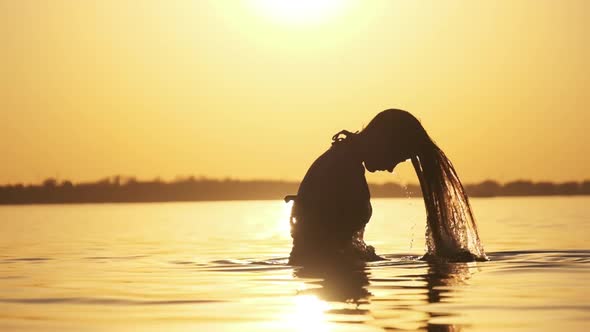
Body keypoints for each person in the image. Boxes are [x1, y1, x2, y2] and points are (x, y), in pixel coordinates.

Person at [286, 109, 487, 266]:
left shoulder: (343, 161)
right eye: (397, 158)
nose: (391, 168)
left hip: (322, 274)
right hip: (326, 275)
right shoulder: (343, 168)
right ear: (385, 144)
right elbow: (331, 249)